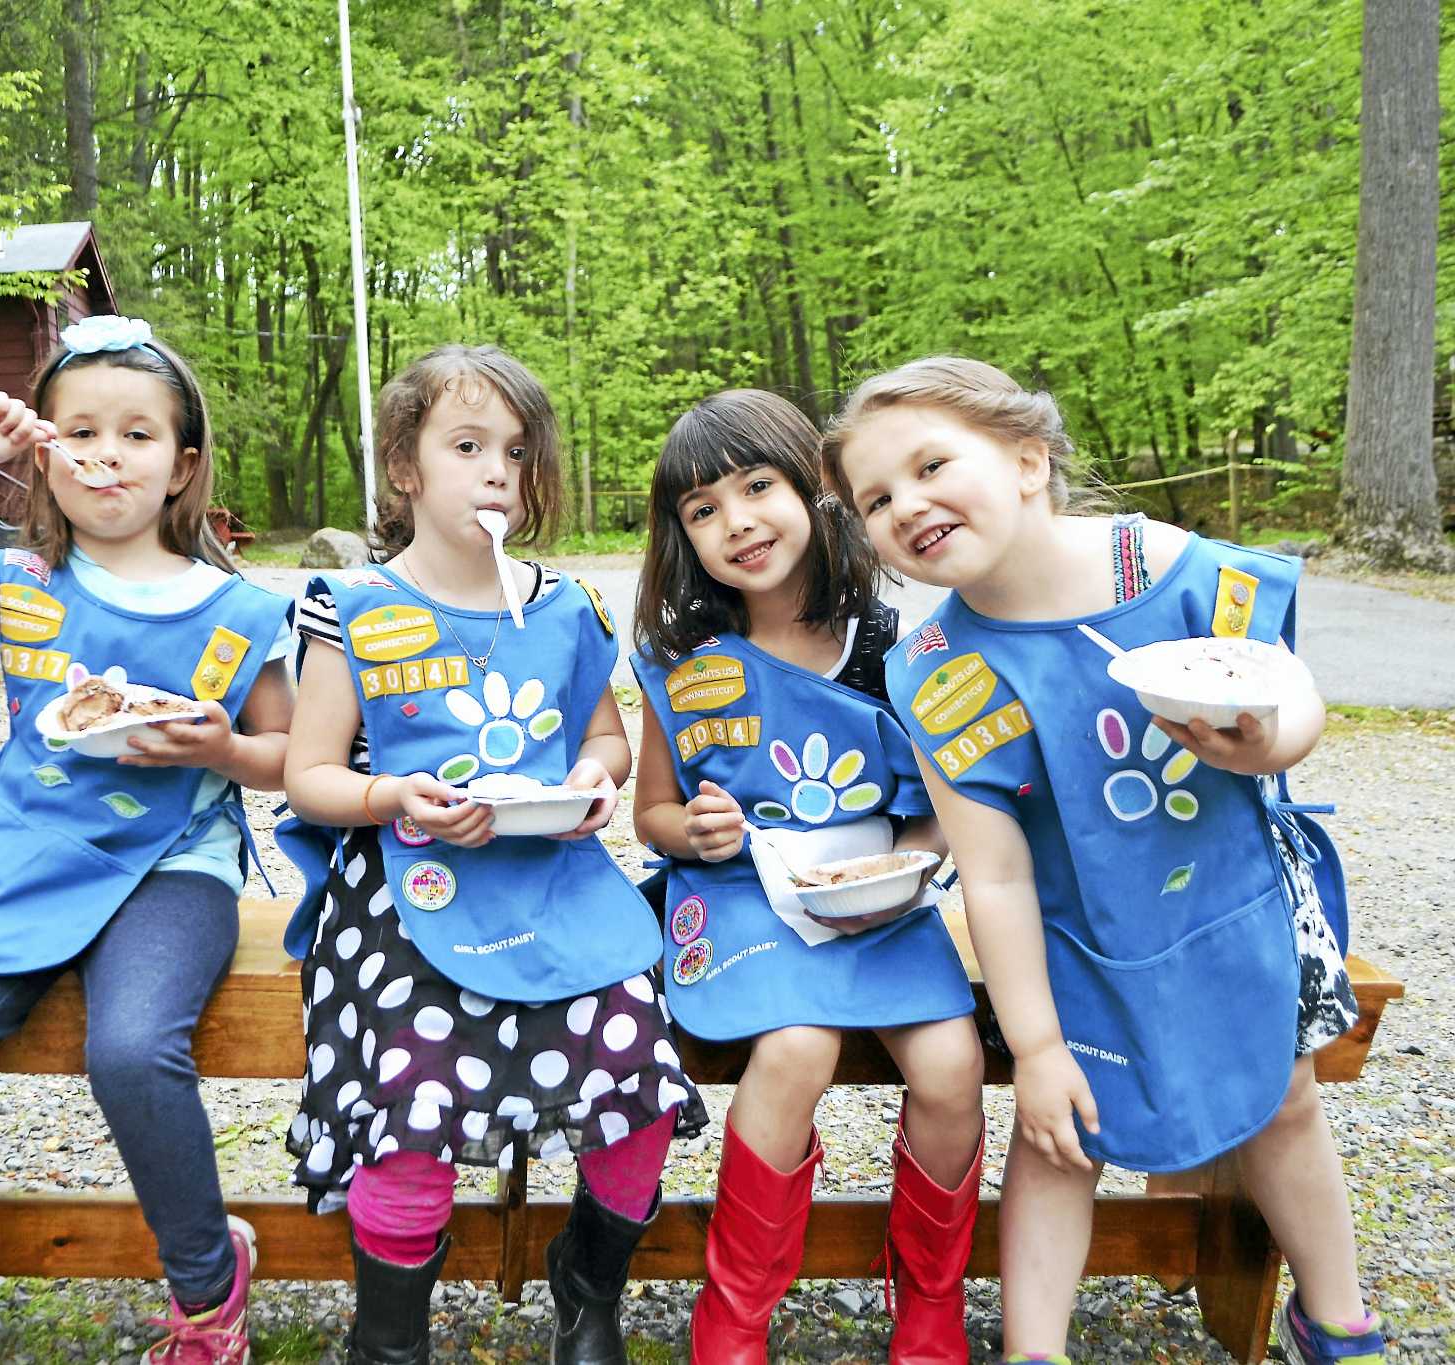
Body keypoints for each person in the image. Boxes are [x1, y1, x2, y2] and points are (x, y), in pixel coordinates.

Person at [825, 357, 1379, 1365]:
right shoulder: (939, 671)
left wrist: (1274, 740)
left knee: (1281, 1100)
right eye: (874, 498)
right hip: (1076, 931)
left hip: (1236, 902)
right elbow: (990, 873)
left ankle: (1333, 1315)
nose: (905, 504)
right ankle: (1032, 1349)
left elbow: (1289, 690)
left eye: (929, 464)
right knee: (1056, 1135)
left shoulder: (1162, 567)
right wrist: (1033, 1050)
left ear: (1027, 459)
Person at [0, 315, 295, 1365]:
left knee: (131, 1051)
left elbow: (287, 757)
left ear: (181, 465)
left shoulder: (238, 609)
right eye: (79, 430)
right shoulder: (20, 585)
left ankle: (210, 1296)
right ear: (45, 451)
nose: (106, 454)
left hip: (171, 862)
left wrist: (217, 752)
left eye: (136, 434)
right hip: (25, 847)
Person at [276, 344, 707, 1365]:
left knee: (637, 1075)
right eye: (465, 445)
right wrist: (391, 796)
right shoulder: (352, 607)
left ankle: (587, 1284)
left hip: (553, 879)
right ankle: (387, 1339)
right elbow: (308, 777)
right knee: (411, 1107)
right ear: (404, 467)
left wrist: (593, 787)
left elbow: (602, 740)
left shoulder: (560, 606)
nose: (494, 472)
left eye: (512, 452)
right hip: (401, 890)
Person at [628, 390, 985, 1364]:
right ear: (680, 537)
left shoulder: (895, 650)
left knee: (952, 1066)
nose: (734, 521)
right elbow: (649, 812)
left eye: (756, 487)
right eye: (701, 509)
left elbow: (933, 815)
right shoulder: (683, 661)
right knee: (792, 1049)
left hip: (878, 901)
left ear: (814, 492)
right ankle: (734, 1315)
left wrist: (903, 865)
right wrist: (689, 831)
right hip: (739, 895)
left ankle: (928, 1305)